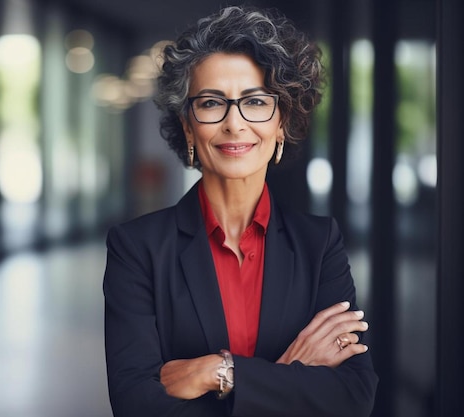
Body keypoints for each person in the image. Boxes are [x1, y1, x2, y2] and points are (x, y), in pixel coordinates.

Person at [103, 5, 378, 417]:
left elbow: (354, 396)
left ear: (282, 120)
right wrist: (289, 377)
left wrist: (221, 371)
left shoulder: (319, 244)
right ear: (188, 125)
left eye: (255, 101)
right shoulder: (137, 248)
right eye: (213, 103)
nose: (235, 124)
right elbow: (136, 405)